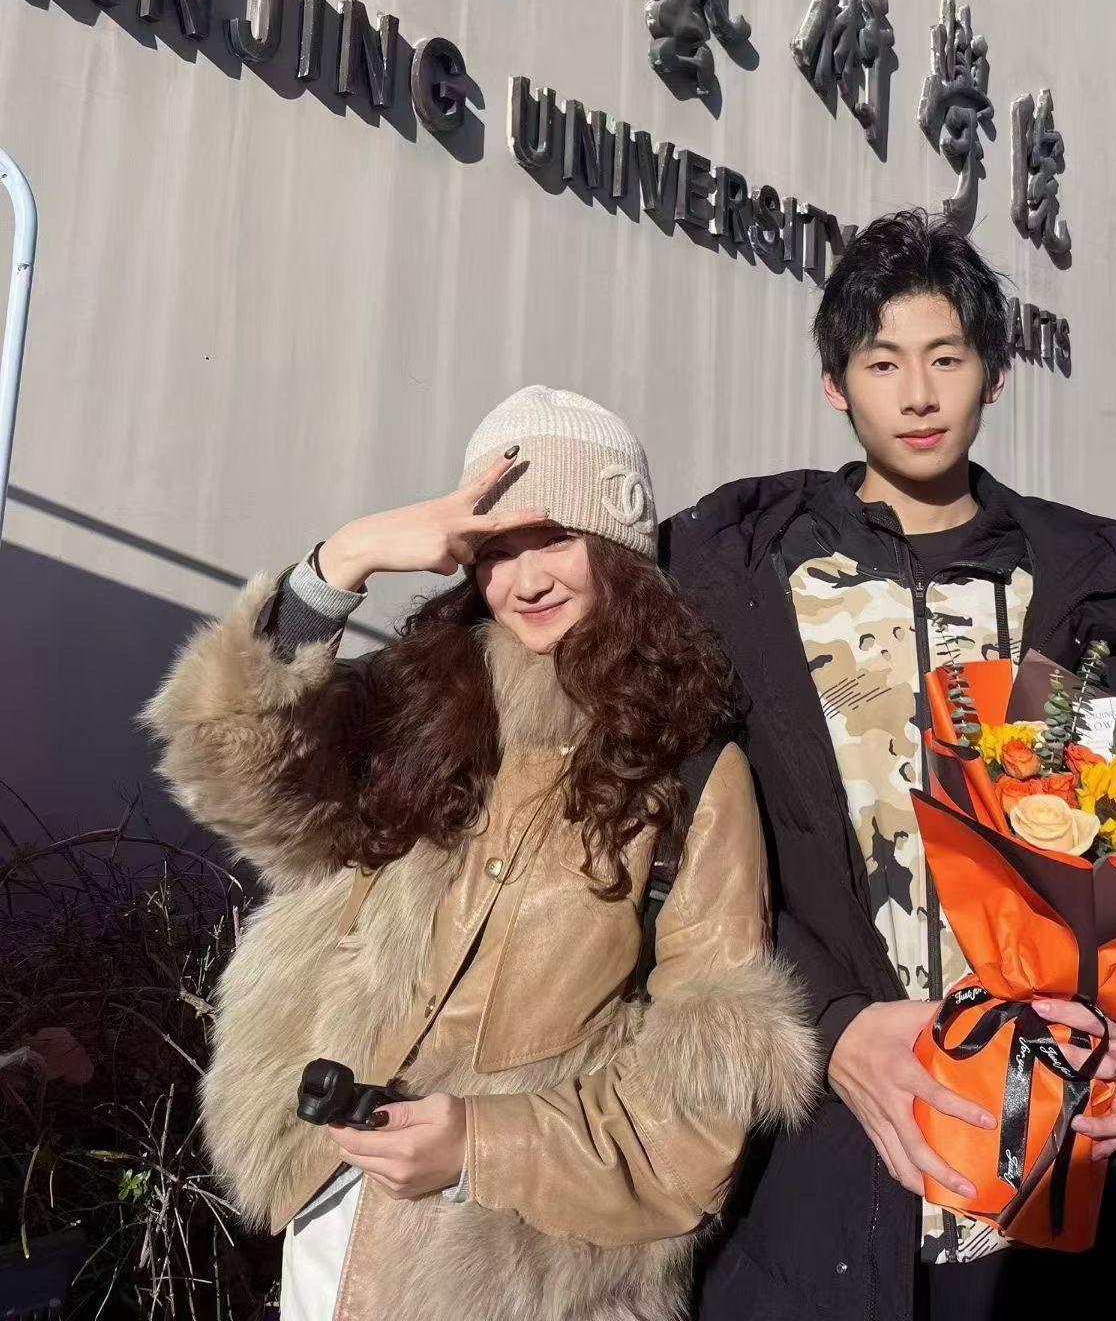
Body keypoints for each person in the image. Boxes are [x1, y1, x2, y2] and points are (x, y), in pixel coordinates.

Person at [145, 386, 817, 1321]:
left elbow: (704, 1097)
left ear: (618, 550)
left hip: (527, 1264)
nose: (524, 580)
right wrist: (344, 560)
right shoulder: (424, 705)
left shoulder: (690, 768)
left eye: (554, 539)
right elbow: (230, 766)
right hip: (334, 1213)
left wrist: (479, 1143)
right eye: (495, 550)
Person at [664, 210, 1116, 1321]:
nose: (918, 395)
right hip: (818, 1158)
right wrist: (828, 1025)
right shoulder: (744, 577)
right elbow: (679, 848)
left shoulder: (1084, 587)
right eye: (883, 363)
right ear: (836, 385)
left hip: (1049, 1157)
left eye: (946, 359)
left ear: (994, 374)